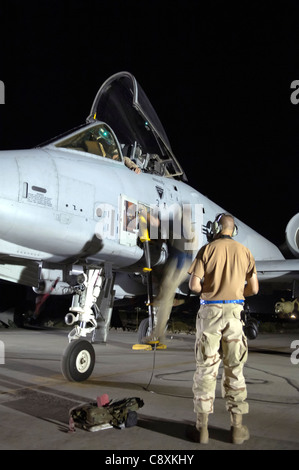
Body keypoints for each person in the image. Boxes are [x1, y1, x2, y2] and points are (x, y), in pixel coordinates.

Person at [188, 213, 259, 445]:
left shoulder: (207, 250)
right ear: (234, 230)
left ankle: (203, 429)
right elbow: (254, 289)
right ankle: (237, 429)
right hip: (234, 314)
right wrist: (237, 294)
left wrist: (210, 291)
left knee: (206, 369)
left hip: (210, 312)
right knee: (235, 370)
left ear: (217, 228)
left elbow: (194, 285)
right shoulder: (246, 252)